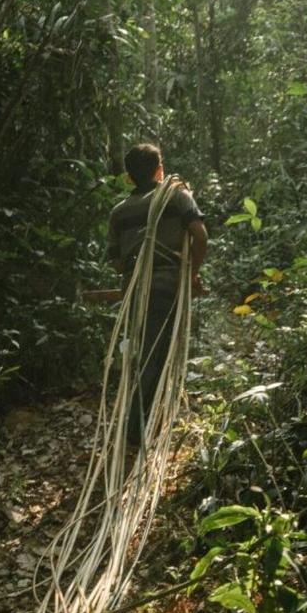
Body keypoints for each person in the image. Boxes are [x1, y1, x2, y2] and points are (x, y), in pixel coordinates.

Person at [107, 143, 207, 450]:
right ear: (159, 169)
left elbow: (117, 261)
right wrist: (190, 273)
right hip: (166, 286)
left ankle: (149, 418)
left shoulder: (119, 212)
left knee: (142, 352)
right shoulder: (177, 196)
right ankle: (135, 427)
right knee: (157, 356)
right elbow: (200, 235)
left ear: (128, 178)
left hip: (133, 292)